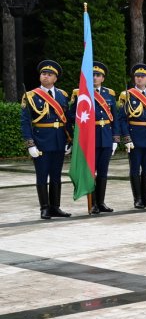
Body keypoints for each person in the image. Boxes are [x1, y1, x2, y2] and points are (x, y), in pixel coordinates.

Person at [22, 60, 72, 220]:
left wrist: (69, 140)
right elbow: (25, 122)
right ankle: (44, 208)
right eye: (43, 74)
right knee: (42, 176)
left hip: (58, 141)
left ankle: (55, 207)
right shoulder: (30, 96)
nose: (46, 76)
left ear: (55, 78)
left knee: (56, 176)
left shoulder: (62, 95)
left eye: (49, 74)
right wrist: (30, 144)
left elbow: (67, 121)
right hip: (41, 141)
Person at [70, 62, 118, 214]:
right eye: (92, 75)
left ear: (103, 78)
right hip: (91, 138)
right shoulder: (81, 93)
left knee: (103, 172)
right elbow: (71, 115)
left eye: (98, 75)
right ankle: (93, 204)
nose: (95, 77)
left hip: (106, 137)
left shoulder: (109, 94)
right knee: (91, 172)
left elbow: (115, 118)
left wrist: (115, 139)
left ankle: (101, 202)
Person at [119, 63, 146, 209]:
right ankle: (137, 199)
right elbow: (122, 119)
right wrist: (126, 138)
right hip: (135, 137)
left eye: (142, 77)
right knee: (134, 169)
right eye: (137, 76)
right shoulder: (127, 95)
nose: (139, 79)